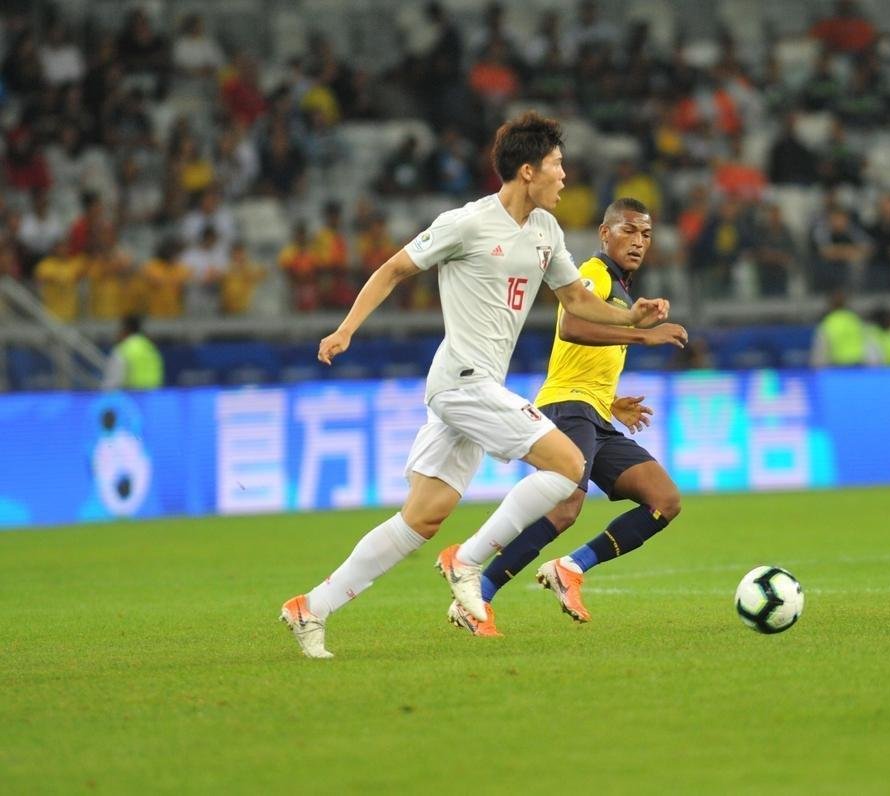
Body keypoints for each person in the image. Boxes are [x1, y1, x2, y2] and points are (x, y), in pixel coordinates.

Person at [279, 112, 670, 658]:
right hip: (462, 379)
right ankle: (467, 561)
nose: (565, 176)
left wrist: (632, 318)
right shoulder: (466, 223)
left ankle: (311, 608)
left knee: (422, 517)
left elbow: (576, 300)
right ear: (528, 171)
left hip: (475, 386)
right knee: (567, 465)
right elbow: (393, 269)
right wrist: (346, 329)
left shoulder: (546, 230)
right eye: (557, 165)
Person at [448, 198, 688, 636]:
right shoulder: (594, 273)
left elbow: (581, 358)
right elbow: (571, 327)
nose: (638, 241)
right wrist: (645, 337)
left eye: (646, 234)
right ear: (605, 233)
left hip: (594, 413)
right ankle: (478, 593)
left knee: (664, 500)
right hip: (567, 407)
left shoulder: (620, 291)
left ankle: (571, 567)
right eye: (629, 230)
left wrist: (610, 402)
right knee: (566, 508)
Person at [101, 315, 163, 390]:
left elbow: (113, 381)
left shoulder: (124, 349)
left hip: (132, 394)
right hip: (154, 394)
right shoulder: (150, 347)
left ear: (125, 329)